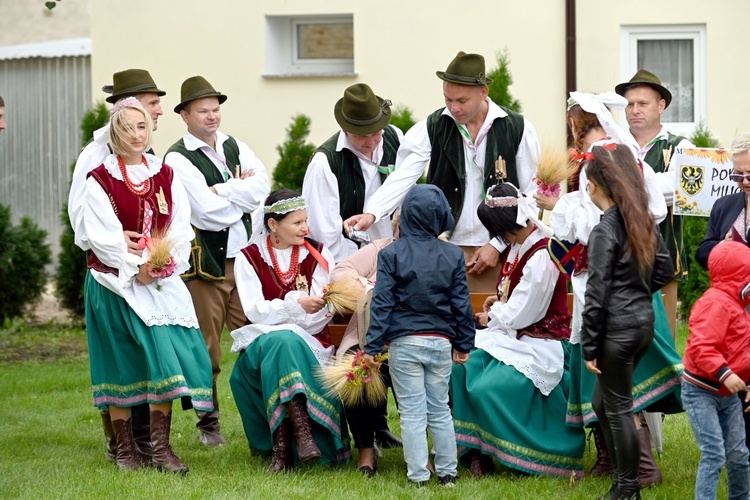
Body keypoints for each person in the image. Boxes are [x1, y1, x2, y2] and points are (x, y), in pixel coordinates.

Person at [77, 97, 214, 474]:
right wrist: (135, 266)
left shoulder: (165, 173)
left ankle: (159, 448)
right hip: (114, 283)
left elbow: (181, 227)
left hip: (158, 282)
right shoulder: (100, 178)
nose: (136, 135)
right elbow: (100, 236)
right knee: (121, 363)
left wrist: (167, 261)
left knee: (162, 359)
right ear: (113, 132)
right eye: (127, 128)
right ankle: (125, 450)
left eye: (142, 127)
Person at [344, 51, 541, 293]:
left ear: (483, 92)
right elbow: (404, 175)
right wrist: (372, 213)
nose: (454, 108)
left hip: (499, 248)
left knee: (490, 318)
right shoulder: (433, 126)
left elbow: (533, 193)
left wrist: (498, 243)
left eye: (462, 100)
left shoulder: (517, 128)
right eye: (448, 99)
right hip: (442, 247)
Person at [451, 182, 586, 478]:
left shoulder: (544, 252)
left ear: (507, 227)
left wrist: (493, 316)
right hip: (513, 336)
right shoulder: (518, 245)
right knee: (459, 367)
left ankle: (528, 453)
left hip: (541, 343)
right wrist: (498, 301)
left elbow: (526, 311)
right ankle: (476, 451)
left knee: (489, 387)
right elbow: (516, 298)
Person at [67, 69, 166, 465]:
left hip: (145, 271)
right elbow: (80, 216)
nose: (159, 110)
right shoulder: (95, 155)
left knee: (143, 352)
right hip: (111, 272)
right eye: (152, 102)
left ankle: (143, 441)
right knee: (117, 353)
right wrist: (111, 241)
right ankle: (119, 441)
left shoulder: (152, 157)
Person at [164, 76, 270, 446]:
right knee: (207, 345)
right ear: (184, 115)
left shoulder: (234, 144)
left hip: (244, 261)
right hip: (206, 264)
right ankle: (208, 423)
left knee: (259, 333)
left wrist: (225, 189)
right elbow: (206, 213)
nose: (212, 116)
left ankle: (267, 412)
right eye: (203, 110)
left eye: (216, 109)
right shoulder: (177, 157)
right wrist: (241, 192)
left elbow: (263, 189)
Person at [228, 189, 350, 473]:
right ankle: (302, 436)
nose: (306, 228)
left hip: (310, 343)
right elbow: (254, 311)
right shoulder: (249, 257)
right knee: (281, 340)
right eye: (297, 223)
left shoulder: (319, 253)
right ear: (273, 225)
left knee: (285, 341)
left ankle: (282, 450)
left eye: (305, 221)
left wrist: (293, 317)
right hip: (261, 343)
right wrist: (295, 307)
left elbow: (321, 316)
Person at [363, 184, 475, 487]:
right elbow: (461, 304)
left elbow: (382, 303)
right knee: (440, 408)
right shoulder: (452, 254)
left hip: (404, 342)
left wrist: (372, 348)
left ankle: (418, 476)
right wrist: (464, 342)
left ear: (406, 216)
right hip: (441, 342)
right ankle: (448, 473)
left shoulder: (391, 254)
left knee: (412, 412)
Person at [582, 144, 674, 500]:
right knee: (602, 403)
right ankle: (624, 480)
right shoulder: (639, 219)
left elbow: (597, 294)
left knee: (618, 408)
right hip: (642, 325)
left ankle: (628, 487)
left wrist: (590, 346)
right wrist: (636, 289)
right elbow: (664, 269)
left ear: (593, 187)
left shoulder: (605, 230)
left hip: (616, 332)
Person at [616, 69, 695, 336]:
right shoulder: (614, 143)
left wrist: (624, 187)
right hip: (615, 257)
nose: (634, 110)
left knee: (661, 336)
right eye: (629, 104)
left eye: (642, 103)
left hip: (663, 257)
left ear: (661, 106)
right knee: (620, 338)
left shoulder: (681, 145)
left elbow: (679, 190)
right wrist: (654, 183)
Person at [329, 211, 402, 477]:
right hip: (365, 338)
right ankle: (366, 453)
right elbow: (340, 272)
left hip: (414, 342)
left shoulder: (440, 252)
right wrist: (368, 288)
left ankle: (432, 453)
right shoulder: (380, 249)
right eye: (401, 229)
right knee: (353, 369)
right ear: (395, 228)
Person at [303, 83, 404, 263]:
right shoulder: (324, 163)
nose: (371, 142)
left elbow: (405, 192)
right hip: (352, 265)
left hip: (398, 257)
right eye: (361, 135)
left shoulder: (395, 137)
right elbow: (323, 235)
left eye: (375, 133)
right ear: (345, 129)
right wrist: (361, 263)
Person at [683, 241, 750, 500]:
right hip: (700, 391)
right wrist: (725, 372)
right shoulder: (714, 304)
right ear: (737, 275)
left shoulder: (740, 307)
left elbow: (742, 351)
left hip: (728, 394)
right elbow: (701, 346)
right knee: (714, 454)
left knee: (739, 454)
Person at [695, 133, 750, 267]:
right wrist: (722, 246)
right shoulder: (723, 205)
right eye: (738, 174)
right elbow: (702, 253)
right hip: (728, 286)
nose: (745, 180)